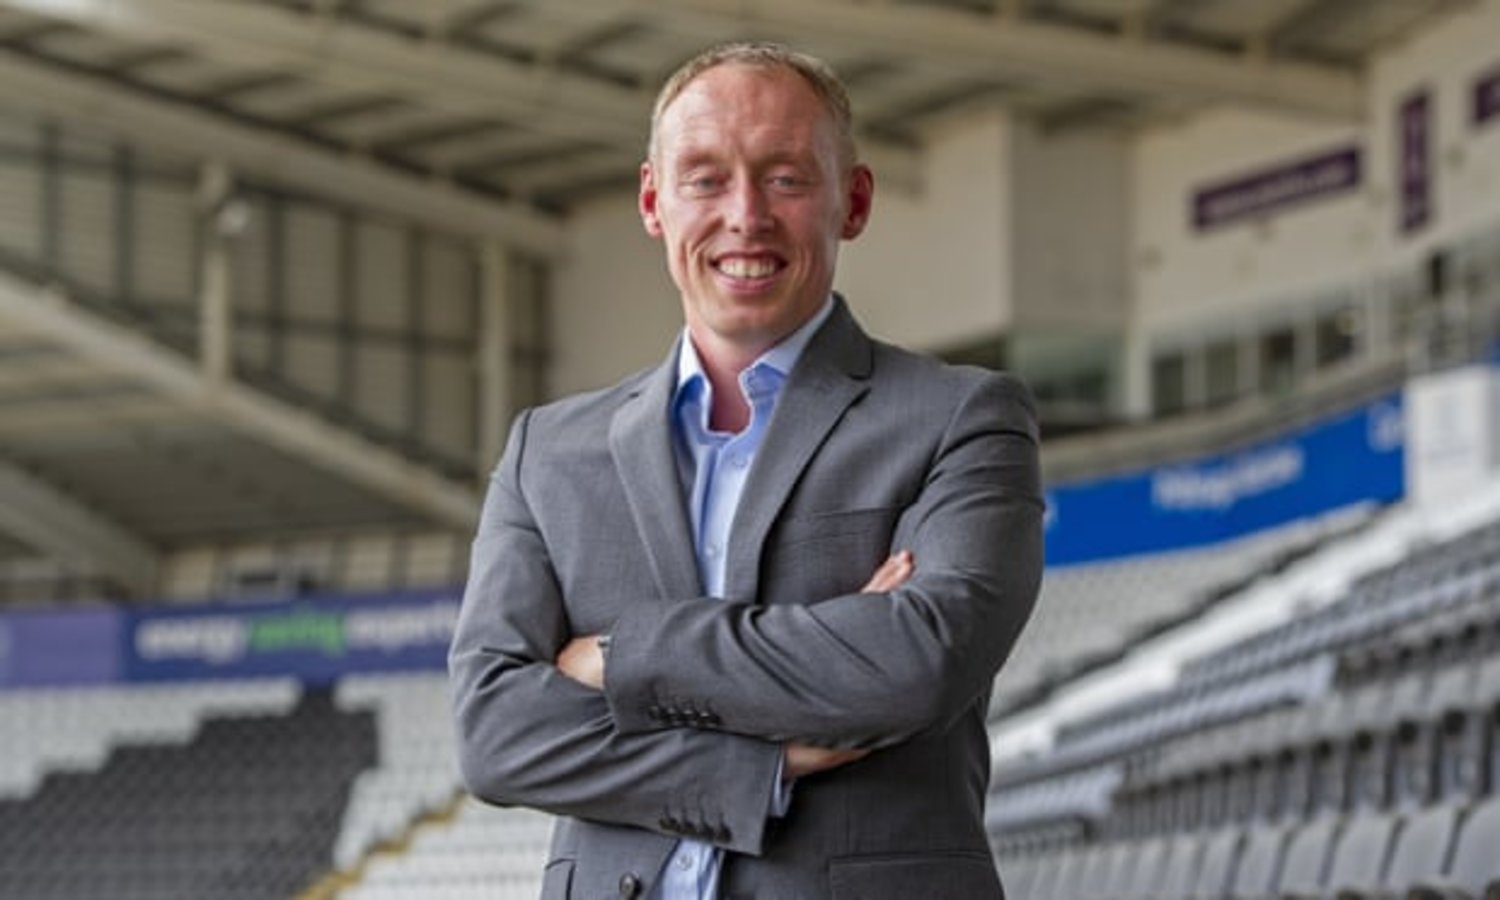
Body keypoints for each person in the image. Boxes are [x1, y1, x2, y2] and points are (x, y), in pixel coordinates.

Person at [449, 41, 1043, 899]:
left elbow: (921, 661)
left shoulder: (962, 417)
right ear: (653, 202)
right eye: (705, 179)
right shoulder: (548, 452)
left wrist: (621, 657)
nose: (745, 215)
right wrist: (766, 764)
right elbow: (494, 733)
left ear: (853, 201)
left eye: (786, 178)